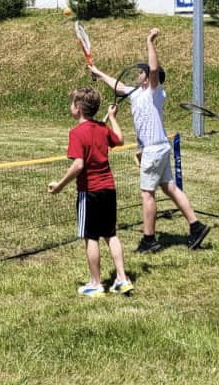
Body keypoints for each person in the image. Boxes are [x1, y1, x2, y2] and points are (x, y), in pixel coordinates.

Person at [90, 28, 211, 253]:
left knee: (147, 194)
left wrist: (150, 41)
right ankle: (196, 226)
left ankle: (149, 240)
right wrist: (98, 73)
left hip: (155, 150)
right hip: (158, 148)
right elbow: (117, 86)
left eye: (141, 73)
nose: (138, 74)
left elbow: (154, 68)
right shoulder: (136, 92)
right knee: (170, 188)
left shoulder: (154, 92)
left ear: (148, 79)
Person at [47, 86, 133, 297]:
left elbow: (78, 165)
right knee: (111, 234)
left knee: (90, 237)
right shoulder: (102, 128)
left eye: (72, 103)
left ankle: (96, 283)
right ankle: (122, 279)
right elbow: (120, 140)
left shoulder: (76, 133)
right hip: (108, 189)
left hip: (90, 192)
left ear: (77, 108)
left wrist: (59, 186)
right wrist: (112, 118)